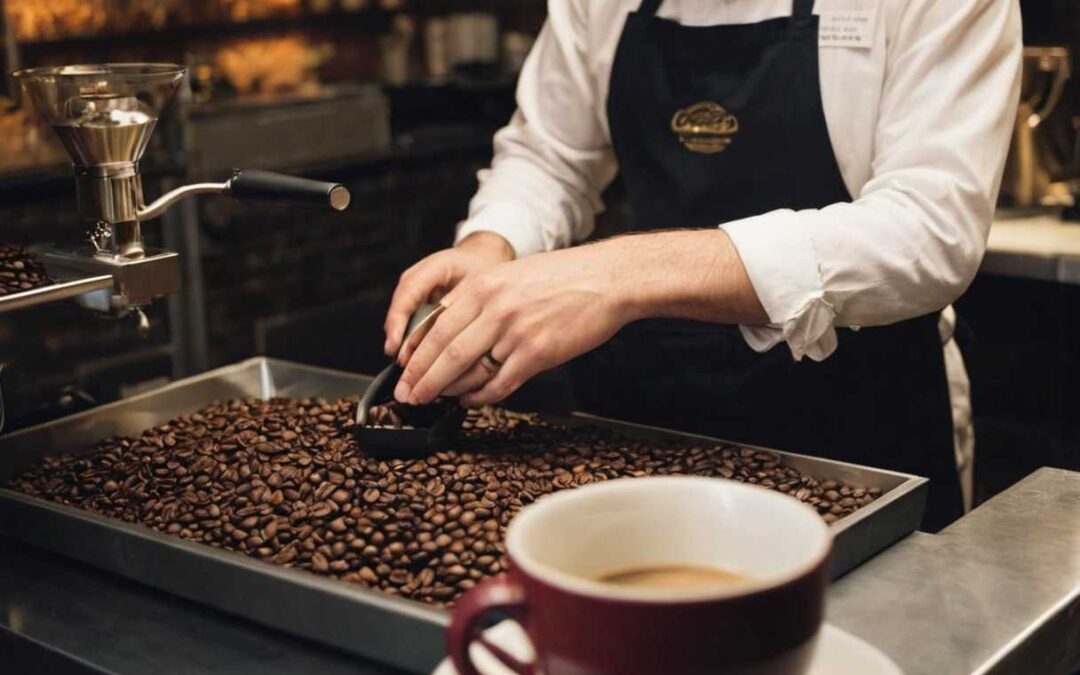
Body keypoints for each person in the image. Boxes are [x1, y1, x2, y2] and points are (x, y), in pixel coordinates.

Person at [382, 0, 1022, 531]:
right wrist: (492, 244)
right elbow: (550, 157)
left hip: (859, 430)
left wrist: (617, 274)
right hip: (641, 419)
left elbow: (928, 232)